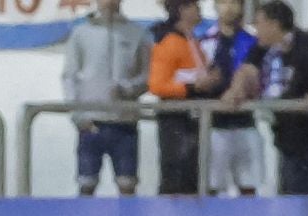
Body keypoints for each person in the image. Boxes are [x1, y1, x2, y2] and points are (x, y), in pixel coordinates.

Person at [248, 0, 308, 194]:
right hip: (285, 134)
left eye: (259, 23)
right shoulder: (261, 48)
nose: (256, 30)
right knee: (290, 190)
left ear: (274, 24)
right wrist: (235, 91)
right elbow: (247, 71)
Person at [63, 0, 151, 196]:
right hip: (91, 122)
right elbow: (70, 77)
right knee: (86, 184)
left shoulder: (137, 33)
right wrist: (77, 115)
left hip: (124, 123)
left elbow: (147, 76)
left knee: (127, 185)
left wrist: (128, 89)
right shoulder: (81, 33)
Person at [149, 0, 215, 195]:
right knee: (176, 175)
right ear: (182, 10)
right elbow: (157, 85)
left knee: (193, 175)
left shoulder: (191, 40)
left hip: (193, 118)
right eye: (194, 5)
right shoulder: (170, 42)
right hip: (176, 121)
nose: (199, 9)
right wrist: (191, 87)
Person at [198, 0, 263, 195]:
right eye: (224, 2)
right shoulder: (203, 41)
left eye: (235, 2)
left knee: (249, 184)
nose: (229, 8)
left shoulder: (253, 43)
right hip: (214, 124)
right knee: (212, 185)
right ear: (216, 6)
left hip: (245, 121)